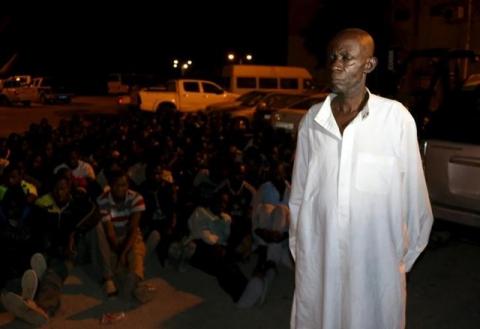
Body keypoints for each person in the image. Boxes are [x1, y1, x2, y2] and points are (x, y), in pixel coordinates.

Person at [288, 28, 433, 329]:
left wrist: (396, 259)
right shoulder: (312, 122)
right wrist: (304, 248)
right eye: (332, 57)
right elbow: (300, 195)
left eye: (346, 57)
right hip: (321, 258)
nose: (336, 64)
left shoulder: (395, 120)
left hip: (375, 263)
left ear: (369, 65)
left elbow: (415, 197)